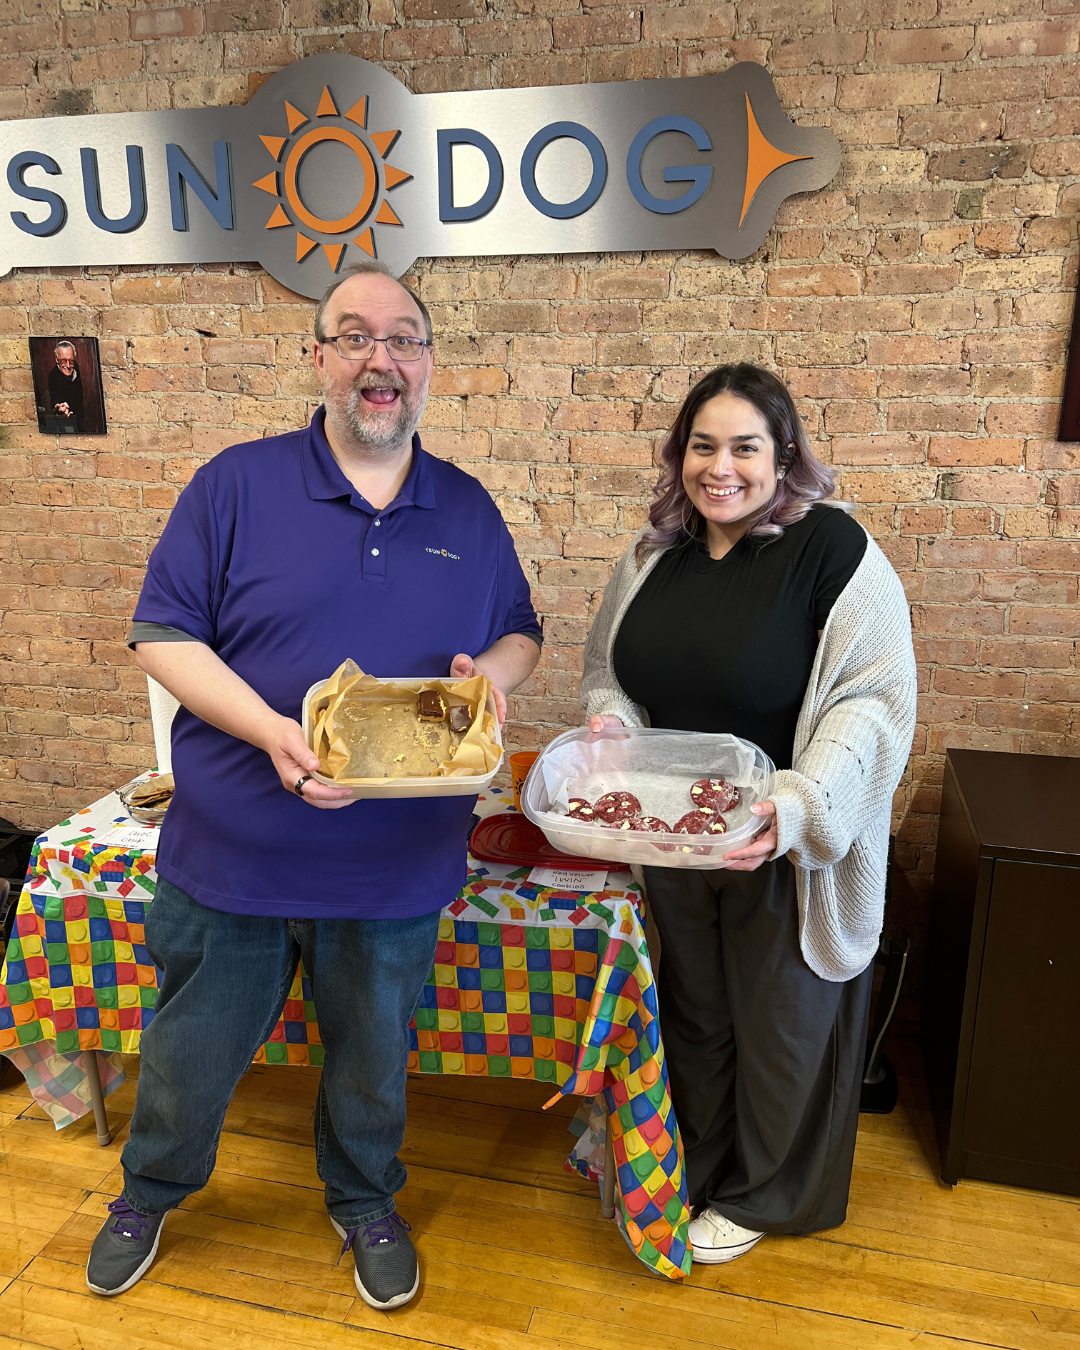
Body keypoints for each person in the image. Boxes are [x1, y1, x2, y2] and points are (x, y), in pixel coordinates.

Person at [86, 261, 542, 1309]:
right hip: (233, 850)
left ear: (429, 364)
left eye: (406, 339)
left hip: (394, 867)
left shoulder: (465, 508)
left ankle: (365, 1198)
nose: (382, 358)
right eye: (355, 336)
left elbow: (520, 629)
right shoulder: (235, 484)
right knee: (191, 1051)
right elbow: (163, 635)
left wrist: (496, 678)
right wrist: (274, 734)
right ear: (321, 358)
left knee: (374, 1061)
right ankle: (148, 1192)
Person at [581, 363, 916, 1266]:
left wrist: (800, 805)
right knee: (693, 1014)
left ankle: (769, 1195)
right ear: (678, 455)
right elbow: (611, 669)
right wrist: (611, 723)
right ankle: (699, 1159)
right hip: (673, 840)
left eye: (744, 447)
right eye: (701, 446)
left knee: (781, 1024)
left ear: (785, 455)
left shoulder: (836, 552)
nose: (719, 467)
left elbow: (873, 702)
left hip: (785, 852)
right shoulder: (654, 554)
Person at [46, 340, 84, 427]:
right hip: (64, 421)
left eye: (71, 361)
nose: (67, 365)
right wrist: (60, 407)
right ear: (57, 360)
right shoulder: (53, 376)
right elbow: (55, 399)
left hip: (80, 418)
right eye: (63, 361)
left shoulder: (76, 368)